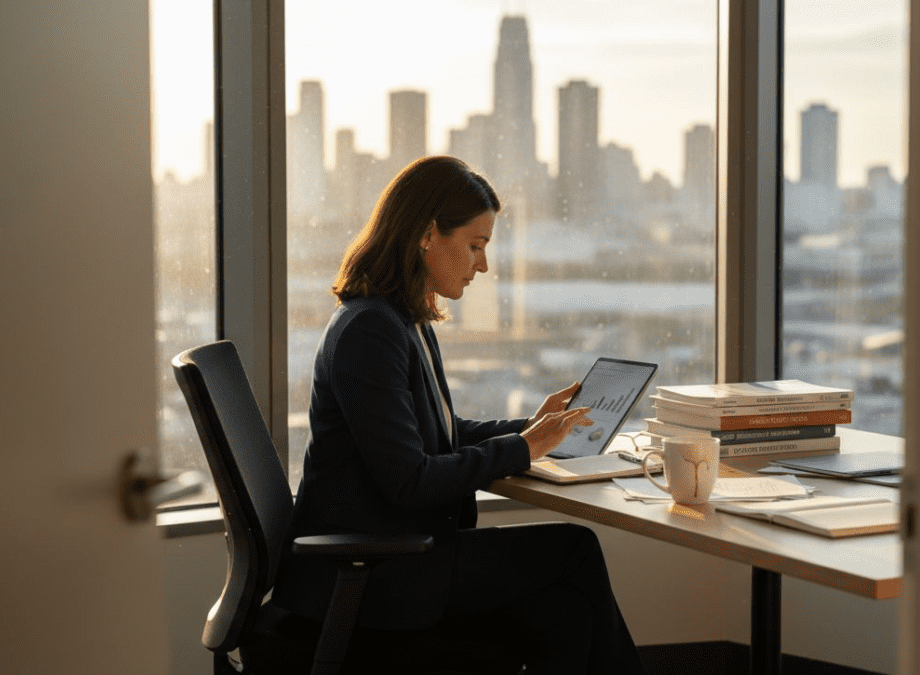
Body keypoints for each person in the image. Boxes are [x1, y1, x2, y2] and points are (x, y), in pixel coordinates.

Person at [271, 156, 648, 674]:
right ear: (427, 234)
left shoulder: (402, 321)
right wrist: (522, 450)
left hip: (402, 556)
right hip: (378, 572)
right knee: (575, 547)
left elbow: (434, 437)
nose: (483, 265)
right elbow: (410, 480)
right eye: (475, 246)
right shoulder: (370, 331)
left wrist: (529, 429)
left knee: (565, 613)